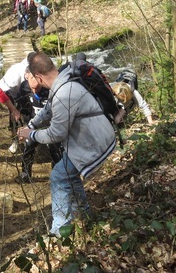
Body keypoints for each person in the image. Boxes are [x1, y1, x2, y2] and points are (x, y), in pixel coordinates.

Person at [17, 52, 117, 236]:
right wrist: (30, 126)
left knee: (58, 176)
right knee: (67, 174)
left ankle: (60, 230)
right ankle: (86, 216)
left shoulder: (64, 93)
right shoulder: (64, 78)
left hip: (94, 141)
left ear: (38, 77)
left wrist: (32, 135)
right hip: (92, 136)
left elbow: (56, 134)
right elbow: (47, 111)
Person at [15, 68, 63, 184]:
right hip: (34, 124)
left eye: (37, 88)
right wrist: (21, 120)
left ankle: (58, 175)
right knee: (28, 147)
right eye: (32, 88)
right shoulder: (24, 87)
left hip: (51, 125)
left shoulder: (50, 89)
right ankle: (25, 174)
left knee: (55, 151)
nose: (35, 90)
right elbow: (22, 106)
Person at [0, 53, 35, 153]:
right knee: (15, 118)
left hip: (26, 94)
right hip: (13, 94)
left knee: (29, 115)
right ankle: (16, 140)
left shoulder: (33, 68)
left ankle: (31, 139)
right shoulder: (16, 73)